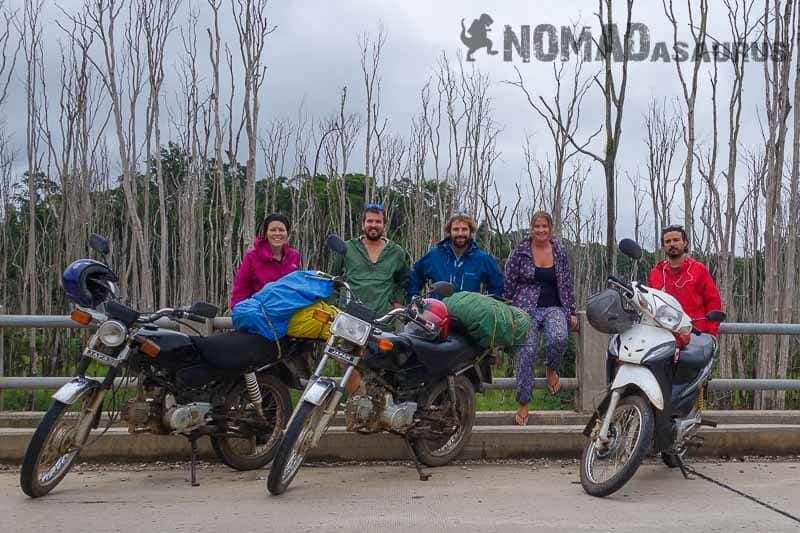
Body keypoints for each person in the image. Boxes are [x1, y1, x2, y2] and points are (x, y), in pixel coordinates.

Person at [504, 211, 577, 426]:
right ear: (531, 228)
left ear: (551, 228)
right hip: (525, 308)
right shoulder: (521, 251)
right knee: (527, 352)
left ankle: (552, 368)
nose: (541, 230)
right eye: (537, 226)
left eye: (545, 226)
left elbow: (566, 282)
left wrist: (571, 311)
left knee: (559, 338)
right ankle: (524, 403)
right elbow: (510, 280)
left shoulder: (560, 251)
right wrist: (506, 307)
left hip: (554, 306)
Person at [330, 203, 410, 316]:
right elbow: (333, 279)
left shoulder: (396, 252)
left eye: (378, 222)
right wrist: (335, 304)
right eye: (370, 221)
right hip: (350, 316)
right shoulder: (347, 248)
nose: (374, 225)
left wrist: (397, 301)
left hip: (383, 317)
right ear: (363, 224)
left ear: (384, 225)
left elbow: (403, 281)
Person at [407, 213, 504, 300]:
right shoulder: (434, 255)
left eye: (464, 229)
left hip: (469, 317)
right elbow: (415, 276)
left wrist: (489, 307)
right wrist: (414, 297)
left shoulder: (482, 259)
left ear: (471, 232)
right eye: (456, 229)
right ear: (449, 231)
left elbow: (497, 285)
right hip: (437, 315)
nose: (460, 233)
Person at [648, 224, 722, 336]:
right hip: (663, 337)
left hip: (695, 336)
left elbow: (713, 302)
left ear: (685, 242)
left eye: (676, 240)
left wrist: (711, 334)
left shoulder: (698, 270)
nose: (672, 244)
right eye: (667, 241)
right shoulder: (656, 273)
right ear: (663, 246)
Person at [230, 213, 301, 310]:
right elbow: (241, 288)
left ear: (287, 233)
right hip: (260, 311)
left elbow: (297, 286)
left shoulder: (294, 256)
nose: (277, 233)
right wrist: (239, 310)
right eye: (272, 230)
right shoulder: (252, 257)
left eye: (281, 230)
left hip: (288, 309)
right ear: (266, 234)